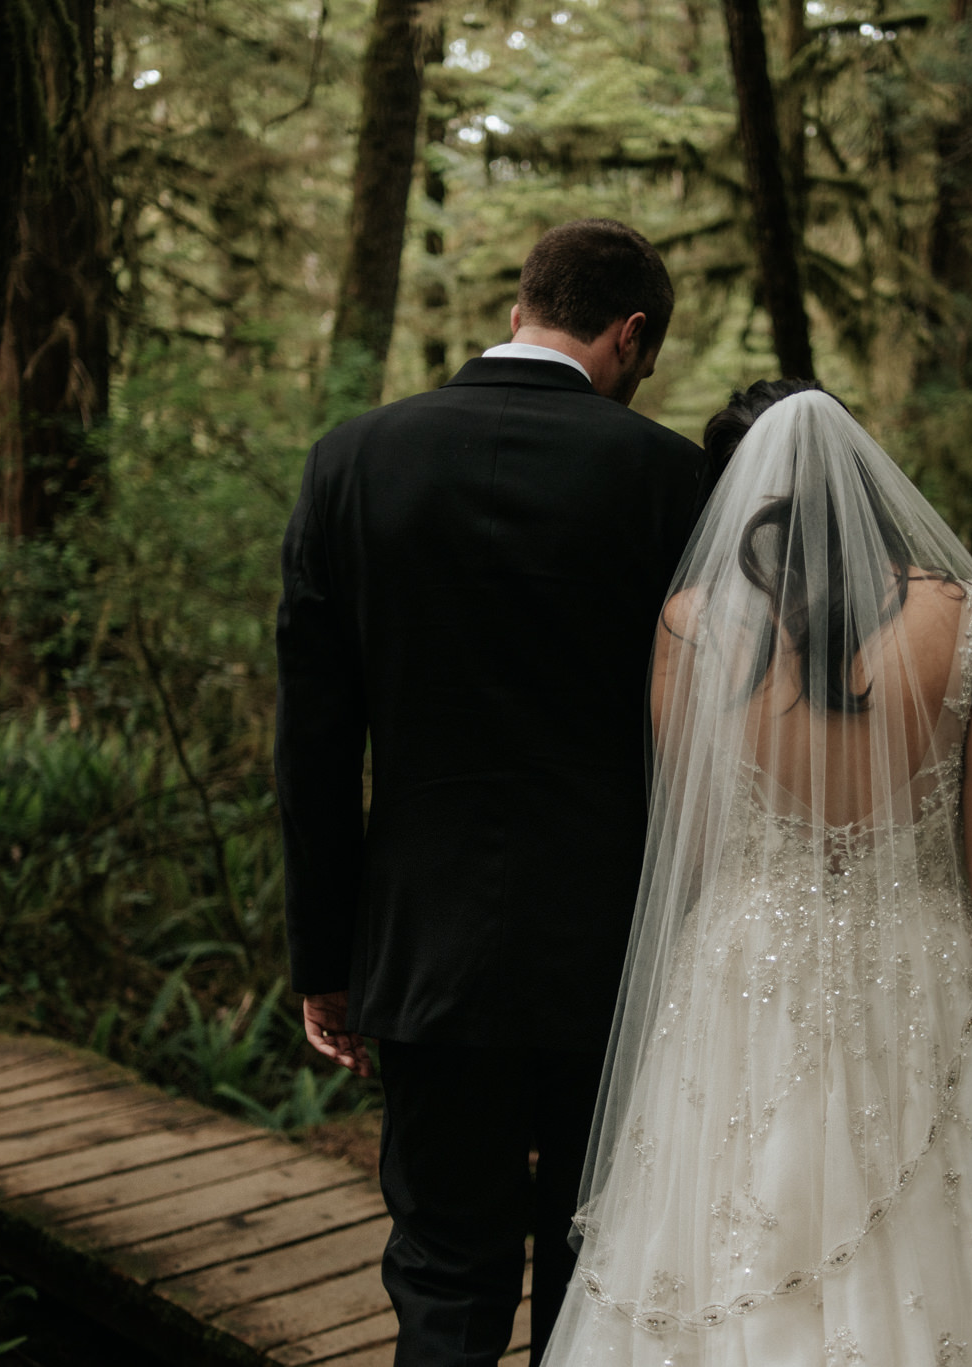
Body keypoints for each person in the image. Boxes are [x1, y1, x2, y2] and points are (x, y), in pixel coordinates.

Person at [542, 380, 972, 1367]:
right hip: (911, 992)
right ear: (864, 482)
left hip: (739, 988)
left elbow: (685, 856)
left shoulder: (689, 626)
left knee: (723, 1258)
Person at [275, 219, 713, 1367]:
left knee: (441, 1263)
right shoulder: (672, 479)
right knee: (598, 1256)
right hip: (615, 950)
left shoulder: (352, 458)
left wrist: (325, 956)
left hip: (423, 944)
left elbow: (314, 741)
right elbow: (710, 739)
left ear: (523, 305)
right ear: (628, 334)